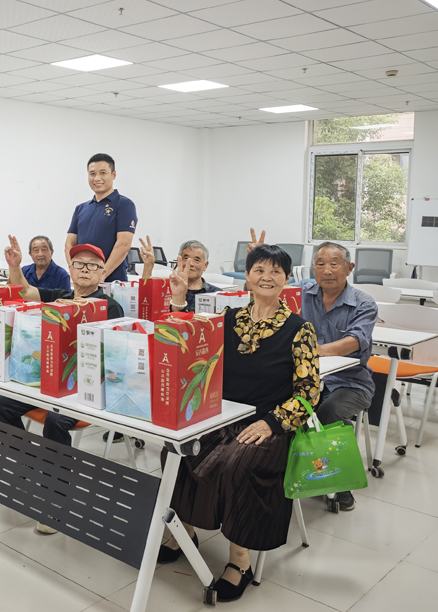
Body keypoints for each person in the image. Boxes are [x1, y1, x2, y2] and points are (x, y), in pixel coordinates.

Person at [158, 244, 320, 603]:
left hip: (268, 423)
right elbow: (188, 344)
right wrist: (179, 300)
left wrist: (272, 423)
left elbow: (309, 393)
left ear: (287, 279)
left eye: (276, 271)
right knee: (176, 451)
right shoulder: (228, 318)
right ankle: (184, 533)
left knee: (238, 464)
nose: (267, 277)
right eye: (259, 270)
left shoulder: (299, 329)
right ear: (247, 276)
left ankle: (240, 560)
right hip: (222, 417)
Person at [0, 237, 123, 534]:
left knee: (55, 420)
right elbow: (25, 291)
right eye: (79, 264)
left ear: (103, 273)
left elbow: (112, 359)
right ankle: (26, 465)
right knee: (0, 403)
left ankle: (57, 496)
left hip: (86, 392)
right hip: (50, 382)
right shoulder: (60, 296)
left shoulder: (110, 308)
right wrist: (15, 266)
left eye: (93, 266)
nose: (85, 269)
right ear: (70, 269)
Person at [300, 241, 377, 512]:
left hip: (351, 382)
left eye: (334, 264)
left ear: (349, 268)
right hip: (309, 379)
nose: (327, 270)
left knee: (329, 412)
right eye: (320, 264)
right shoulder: (303, 293)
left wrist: (314, 350)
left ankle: (343, 486)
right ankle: (295, 470)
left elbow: (355, 341)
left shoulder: (363, 303)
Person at [65, 153, 137, 282]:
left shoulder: (124, 205)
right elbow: (69, 244)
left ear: (113, 175)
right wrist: (74, 271)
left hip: (111, 282)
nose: (97, 178)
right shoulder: (81, 208)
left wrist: (101, 275)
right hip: (82, 282)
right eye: (92, 174)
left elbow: (123, 244)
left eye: (103, 173)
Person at [139, 236, 220, 312]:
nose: (190, 263)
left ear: (205, 265)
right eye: (186, 258)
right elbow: (147, 300)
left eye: (197, 260)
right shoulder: (166, 288)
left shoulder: (216, 294)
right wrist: (148, 266)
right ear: (178, 261)